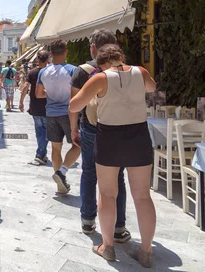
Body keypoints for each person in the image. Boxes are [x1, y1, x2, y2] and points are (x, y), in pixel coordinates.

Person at [70, 44, 156, 267]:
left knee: (107, 194)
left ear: (100, 62)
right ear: (122, 57)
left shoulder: (99, 78)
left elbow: (73, 105)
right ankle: (146, 251)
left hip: (110, 137)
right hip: (138, 135)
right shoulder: (140, 71)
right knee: (143, 196)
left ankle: (107, 247)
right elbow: (151, 88)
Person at [69, 29, 131, 241]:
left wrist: (73, 129)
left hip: (91, 128)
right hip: (119, 128)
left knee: (89, 173)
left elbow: (74, 105)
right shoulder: (127, 71)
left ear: (94, 47)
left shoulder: (83, 71)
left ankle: (88, 220)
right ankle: (119, 227)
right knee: (118, 177)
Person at [35, 39, 80, 194]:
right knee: (77, 145)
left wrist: (51, 94)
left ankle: (59, 183)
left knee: (55, 148)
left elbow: (39, 94)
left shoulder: (43, 71)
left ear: (51, 54)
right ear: (66, 51)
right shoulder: (73, 70)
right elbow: (77, 95)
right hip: (67, 113)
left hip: (50, 113)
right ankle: (62, 171)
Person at [19, 50, 49, 165]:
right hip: (48, 106)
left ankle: (40, 154)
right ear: (48, 59)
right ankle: (42, 154)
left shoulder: (32, 73)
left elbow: (25, 87)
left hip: (35, 106)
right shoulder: (50, 72)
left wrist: (21, 102)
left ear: (37, 59)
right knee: (45, 132)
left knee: (39, 131)